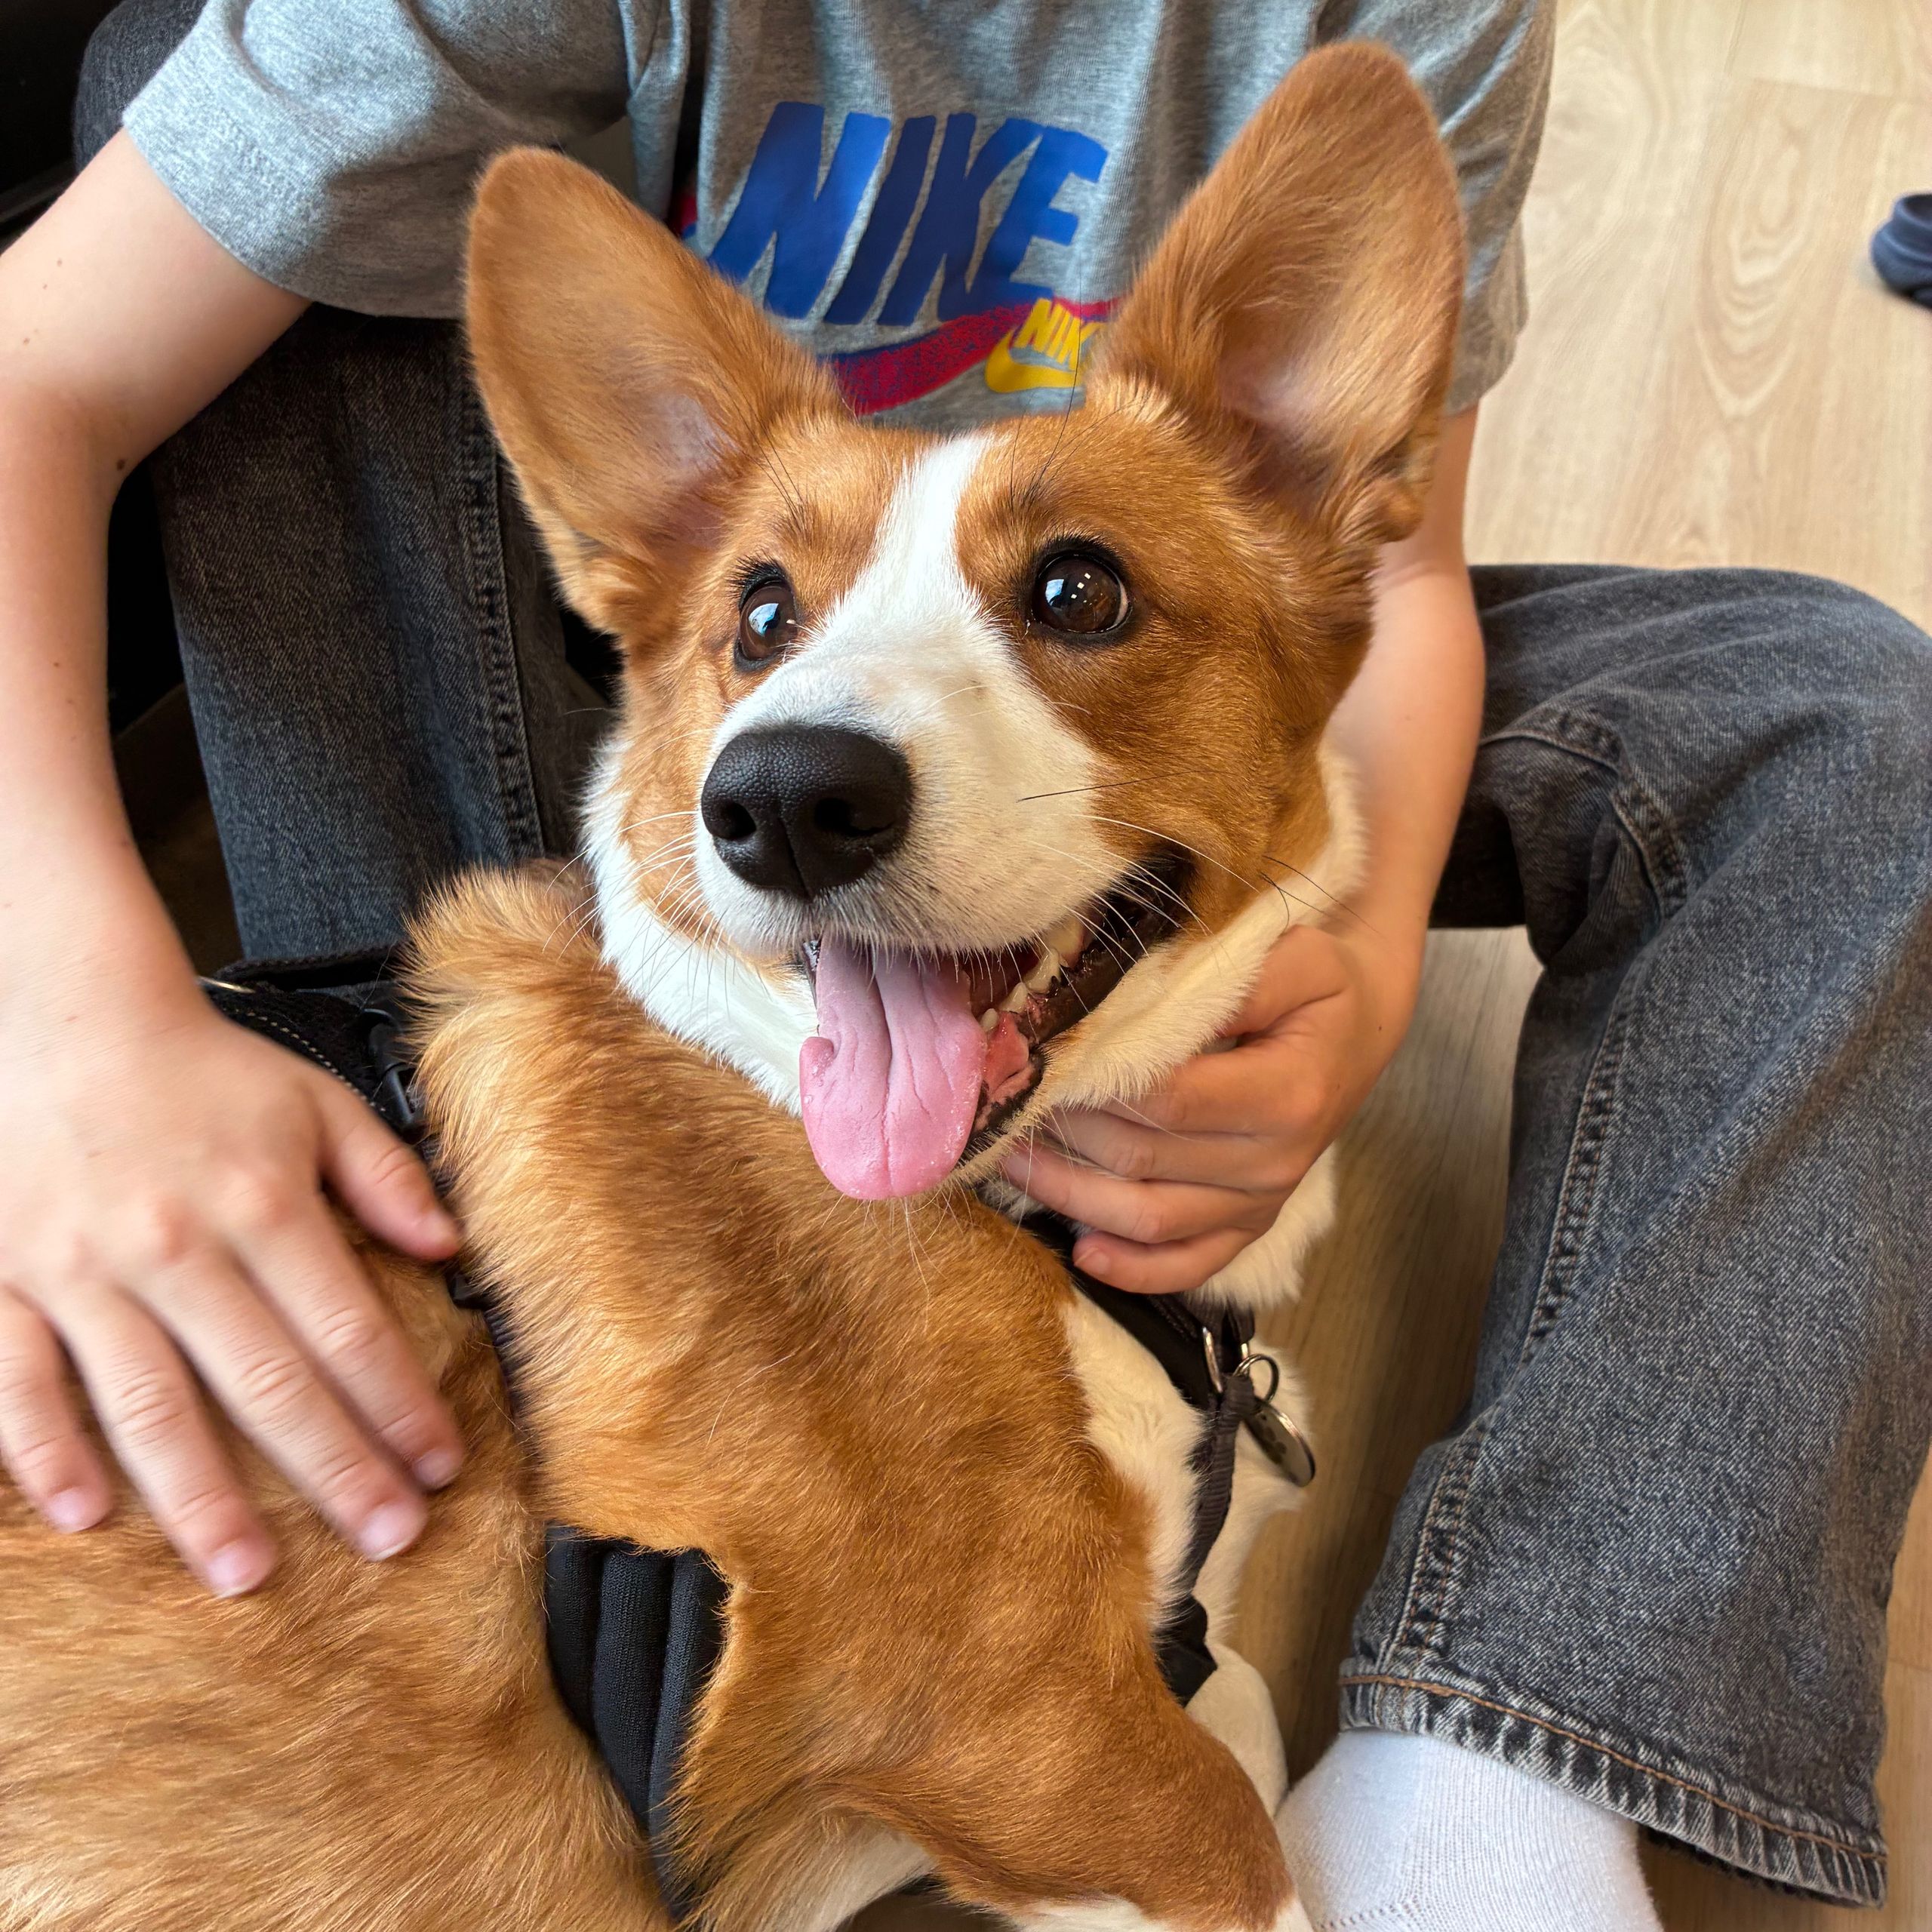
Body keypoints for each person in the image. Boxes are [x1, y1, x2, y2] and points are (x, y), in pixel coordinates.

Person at [1, 1, 1926, 1924]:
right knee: (219, 160)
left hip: (1174, 622)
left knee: (1848, 723)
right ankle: (589, 1334)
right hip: (636, 716)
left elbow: (1392, 581)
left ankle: (1509, 1754)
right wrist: (77, 1022)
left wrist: (1346, 974)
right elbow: (35, 368)